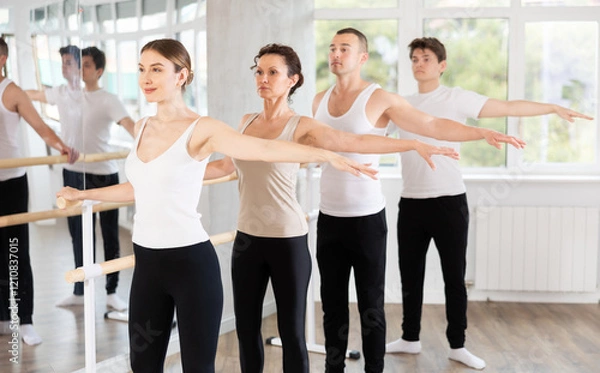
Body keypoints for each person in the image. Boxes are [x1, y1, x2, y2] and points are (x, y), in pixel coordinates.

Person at [56, 38, 378, 373]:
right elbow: (139, 187)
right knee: (143, 366)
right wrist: (84, 196)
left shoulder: (203, 128)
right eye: (141, 69)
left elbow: (263, 150)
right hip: (147, 263)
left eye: (156, 69)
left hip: (191, 265)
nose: (146, 78)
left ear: (181, 76)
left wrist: (324, 154)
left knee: (198, 368)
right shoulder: (141, 127)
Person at [204, 43, 460, 373]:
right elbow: (224, 166)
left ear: (292, 80)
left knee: (292, 334)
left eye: (272, 72)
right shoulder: (244, 122)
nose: (263, 79)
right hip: (247, 241)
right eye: (259, 72)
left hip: (287, 239)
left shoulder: (302, 126)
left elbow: (350, 142)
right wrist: (173, 176)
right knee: (246, 330)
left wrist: (410, 143)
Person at [312, 28, 527, 373]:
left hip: (366, 216)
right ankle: (333, 368)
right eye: (332, 47)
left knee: (371, 304)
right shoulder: (318, 99)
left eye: (345, 48)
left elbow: (431, 123)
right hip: (328, 216)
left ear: (362, 58)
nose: (336, 54)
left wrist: (479, 132)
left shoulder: (380, 97)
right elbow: (317, 144)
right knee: (332, 305)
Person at [385, 36, 593, 370]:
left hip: (449, 202)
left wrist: (552, 107)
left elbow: (508, 107)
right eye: (414, 58)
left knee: (455, 277)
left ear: (442, 65)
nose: (418, 63)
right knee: (410, 276)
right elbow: (369, 135)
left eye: (425, 58)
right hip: (411, 203)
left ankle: (458, 344)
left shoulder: (456, 98)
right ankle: (410, 338)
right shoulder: (400, 105)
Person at [27, 45, 135, 311]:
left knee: (109, 236)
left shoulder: (109, 99)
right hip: (73, 174)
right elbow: (31, 95)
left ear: (98, 71)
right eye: (76, 64)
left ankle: (111, 291)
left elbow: (132, 127)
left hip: (103, 175)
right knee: (78, 235)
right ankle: (79, 291)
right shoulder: (63, 93)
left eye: (85, 65)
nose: (76, 69)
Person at [0, 36, 78, 346]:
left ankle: (24, 320)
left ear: (2, 58)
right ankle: (3, 317)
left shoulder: (12, 91)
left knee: (15, 250)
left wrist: (61, 145)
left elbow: (40, 125)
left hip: (12, 183)